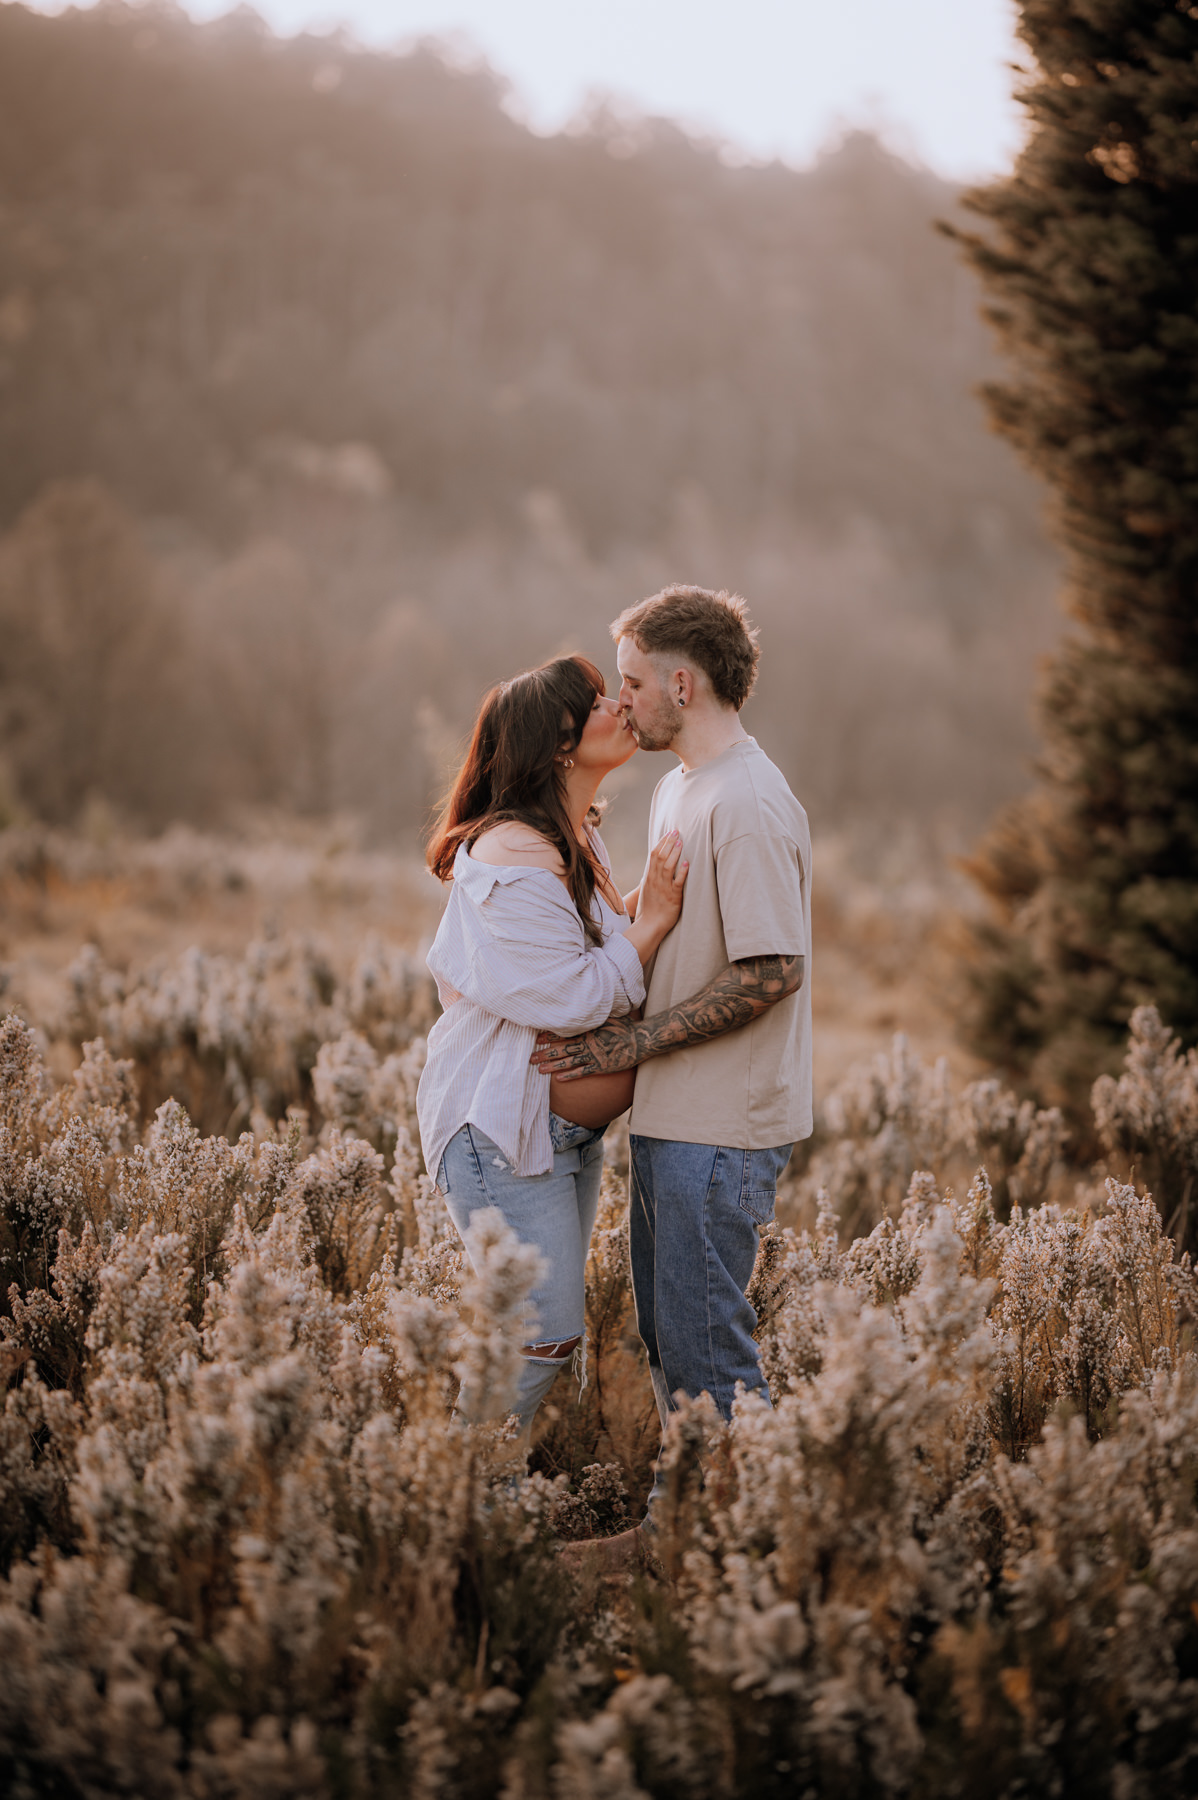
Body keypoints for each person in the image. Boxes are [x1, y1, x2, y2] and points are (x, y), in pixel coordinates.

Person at [531, 587, 811, 1537]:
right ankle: (679, 1530)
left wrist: (624, 1045)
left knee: (710, 1352)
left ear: (683, 684)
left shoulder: (751, 803)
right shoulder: (681, 791)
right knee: (673, 1343)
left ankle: (756, 1551)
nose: (624, 700)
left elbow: (773, 972)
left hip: (721, 1131)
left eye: (636, 681)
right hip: (670, 1121)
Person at [416, 652, 688, 1448]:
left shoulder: (567, 836)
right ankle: (463, 1491)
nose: (619, 707)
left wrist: (648, 903)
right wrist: (654, 923)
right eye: (599, 702)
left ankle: (475, 1496)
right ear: (560, 744)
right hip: (499, 1133)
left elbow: (595, 948)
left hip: (557, 1135)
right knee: (542, 1334)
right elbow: (569, 996)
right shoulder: (511, 858)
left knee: (545, 1335)